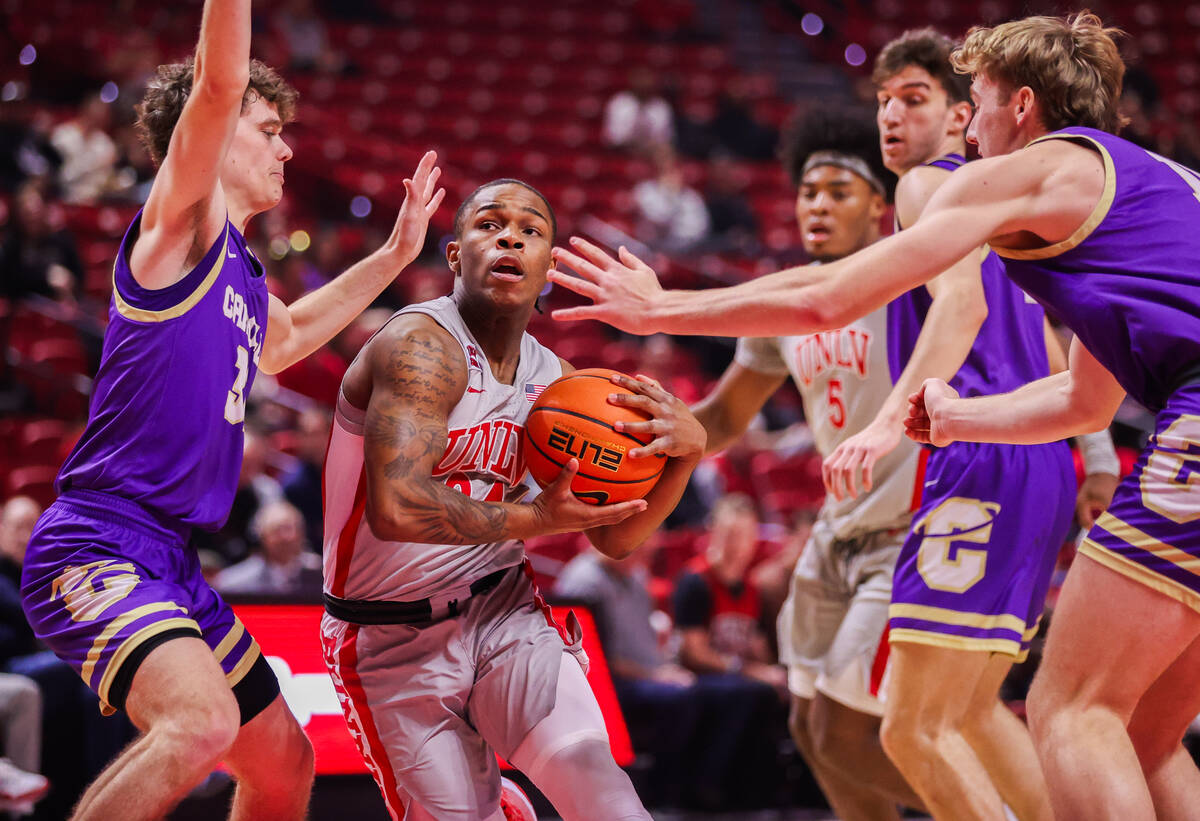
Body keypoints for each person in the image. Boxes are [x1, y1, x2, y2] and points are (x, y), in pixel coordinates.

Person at [547, 12, 1200, 820]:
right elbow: (1084, 401)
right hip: (1128, 426)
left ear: (1021, 105)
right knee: (1143, 736)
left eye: (976, 100)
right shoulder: (1146, 190)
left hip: (1168, 427)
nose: (971, 121)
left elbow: (829, 297)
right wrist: (957, 417)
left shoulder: (1017, 170)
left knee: (1069, 708)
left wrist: (659, 309)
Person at [18, 0, 446, 818]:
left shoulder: (246, 285)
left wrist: (394, 254)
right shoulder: (183, 224)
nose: (285, 145)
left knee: (284, 762)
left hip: (172, 559)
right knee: (201, 722)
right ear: (211, 135)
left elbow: (291, 337)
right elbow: (216, 83)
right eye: (266, 126)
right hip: (97, 539)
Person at [321, 178, 706, 820]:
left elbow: (614, 537)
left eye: (530, 230)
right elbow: (396, 509)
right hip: (385, 634)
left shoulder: (557, 383)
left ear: (548, 266)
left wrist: (683, 457)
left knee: (605, 796)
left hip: (503, 613)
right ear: (454, 255)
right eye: (490, 224)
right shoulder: (419, 347)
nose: (510, 237)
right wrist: (537, 516)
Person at [689, 107, 926, 820]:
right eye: (807, 192)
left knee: (850, 734)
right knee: (808, 727)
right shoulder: (788, 301)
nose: (817, 205)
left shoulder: (912, 276)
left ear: (881, 206)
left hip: (909, 528)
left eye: (838, 191)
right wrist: (650, 431)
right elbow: (725, 417)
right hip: (838, 531)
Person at [213, 500, 321, 597]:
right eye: (278, 530)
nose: (287, 537)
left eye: (292, 529)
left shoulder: (320, 575)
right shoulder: (235, 583)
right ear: (262, 536)